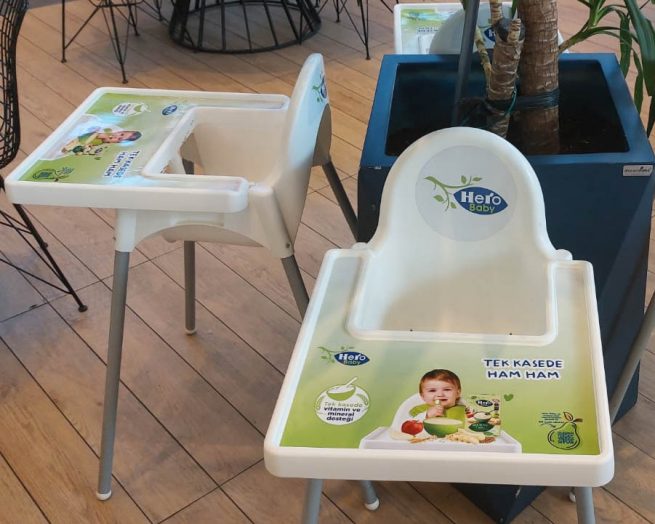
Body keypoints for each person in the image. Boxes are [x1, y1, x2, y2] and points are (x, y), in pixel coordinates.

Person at [61, 129, 142, 155]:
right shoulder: (107, 133)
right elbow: (97, 134)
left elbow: (94, 145)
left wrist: (89, 147)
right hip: (82, 139)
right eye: (121, 134)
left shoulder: (103, 143)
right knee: (77, 143)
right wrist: (106, 136)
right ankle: (68, 147)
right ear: (120, 131)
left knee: (82, 149)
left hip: (85, 144)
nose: (116, 137)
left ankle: (70, 149)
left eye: (119, 139)